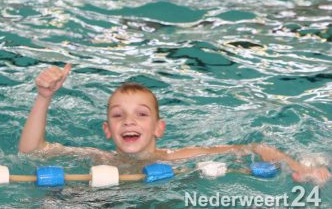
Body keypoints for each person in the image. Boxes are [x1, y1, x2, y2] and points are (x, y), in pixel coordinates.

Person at [19, 64, 331, 185]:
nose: (129, 120)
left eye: (141, 114)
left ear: (159, 129)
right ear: (107, 130)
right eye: (118, 115)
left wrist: (298, 168)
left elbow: (254, 147)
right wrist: (44, 98)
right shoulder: (100, 158)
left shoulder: (177, 158)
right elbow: (32, 152)